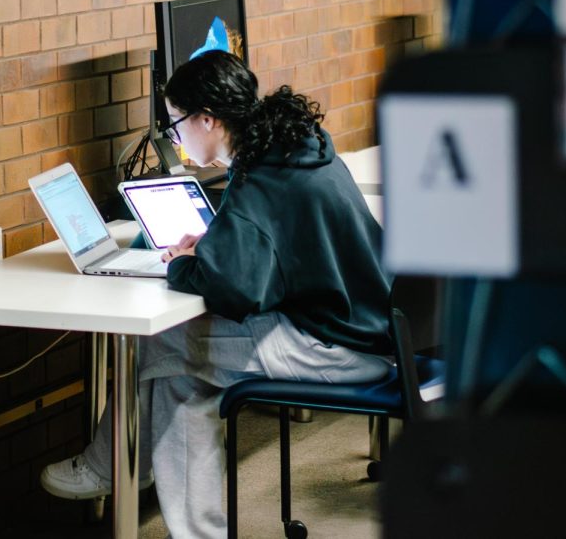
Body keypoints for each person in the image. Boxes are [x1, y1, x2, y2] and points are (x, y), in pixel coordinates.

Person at [40, 50, 392, 538]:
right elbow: (275, 246)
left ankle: (110, 467)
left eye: (175, 123)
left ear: (208, 118)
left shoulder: (259, 177)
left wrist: (184, 263)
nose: (174, 136)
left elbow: (236, 290)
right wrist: (217, 244)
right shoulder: (294, 146)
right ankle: (134, 477)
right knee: (178, 378)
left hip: (334, 347)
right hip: (372, 331)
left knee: (158, 344)